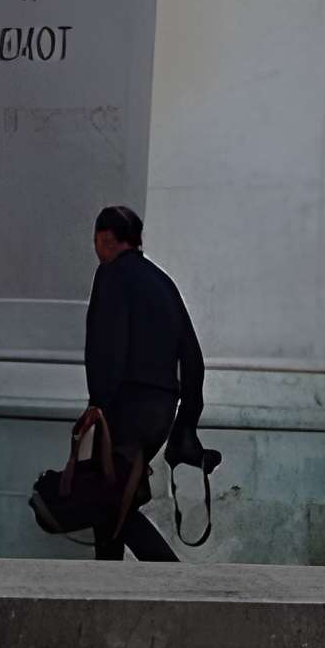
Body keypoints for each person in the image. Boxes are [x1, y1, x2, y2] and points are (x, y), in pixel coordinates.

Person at [82, 203, 207, 562]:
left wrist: (98, 402)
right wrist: (188, 421)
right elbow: (193, 355)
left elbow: (107, 344)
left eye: (96, 241)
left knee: (110, 503)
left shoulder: (111, 274)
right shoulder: (162, 281)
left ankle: (171, 578)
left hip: (127, 407)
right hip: (162, 411)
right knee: (114, 499)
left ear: (106, 239)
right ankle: (110, 587)